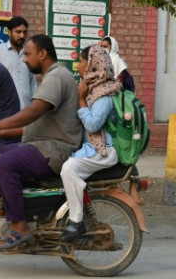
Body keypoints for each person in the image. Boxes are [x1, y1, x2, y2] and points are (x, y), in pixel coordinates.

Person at [0, 34, 82, 250]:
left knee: (5, 164)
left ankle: (19, 226)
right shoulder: (50, 77)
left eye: (27, 54)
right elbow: (33, 125)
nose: (24, 60)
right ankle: (5, 213)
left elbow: (33, 112)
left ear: (42, 54)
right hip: (42, 144)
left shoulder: (56, 77)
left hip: (54, 150)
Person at [59, 45, 122, 241]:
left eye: (82, 60)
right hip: (93, 147)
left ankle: (76, 221)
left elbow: (94, 124)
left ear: (93, 65)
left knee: (68, 169)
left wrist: (81, 101)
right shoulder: (93, 88)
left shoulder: (104, 92)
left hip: (103, 149)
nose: (78, 65)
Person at [0, 17, 37, 108]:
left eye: (24, 32)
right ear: (9, 32)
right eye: (18, 32)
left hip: (25, 111)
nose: (22, 36)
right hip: (4, 110)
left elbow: (33, 83)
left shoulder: (29, 53)